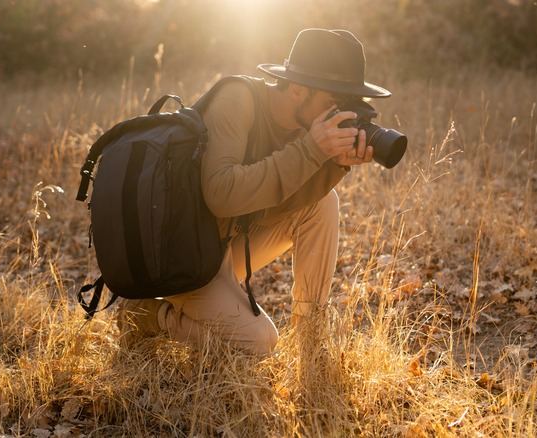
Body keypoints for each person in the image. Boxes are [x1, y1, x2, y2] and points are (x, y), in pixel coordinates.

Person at [116, 28, 393, 355]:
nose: (341, 116)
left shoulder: (305, 125)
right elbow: (220, 196)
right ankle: (150, 315)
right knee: (259, 342)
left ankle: (310, 339)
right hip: (181, 254)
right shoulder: (237, 100)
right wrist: (311, 151)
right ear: (297, 89)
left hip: (222, 244)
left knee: (323, 204)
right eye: (334, 102)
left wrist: (333, 162)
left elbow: (280, 198)